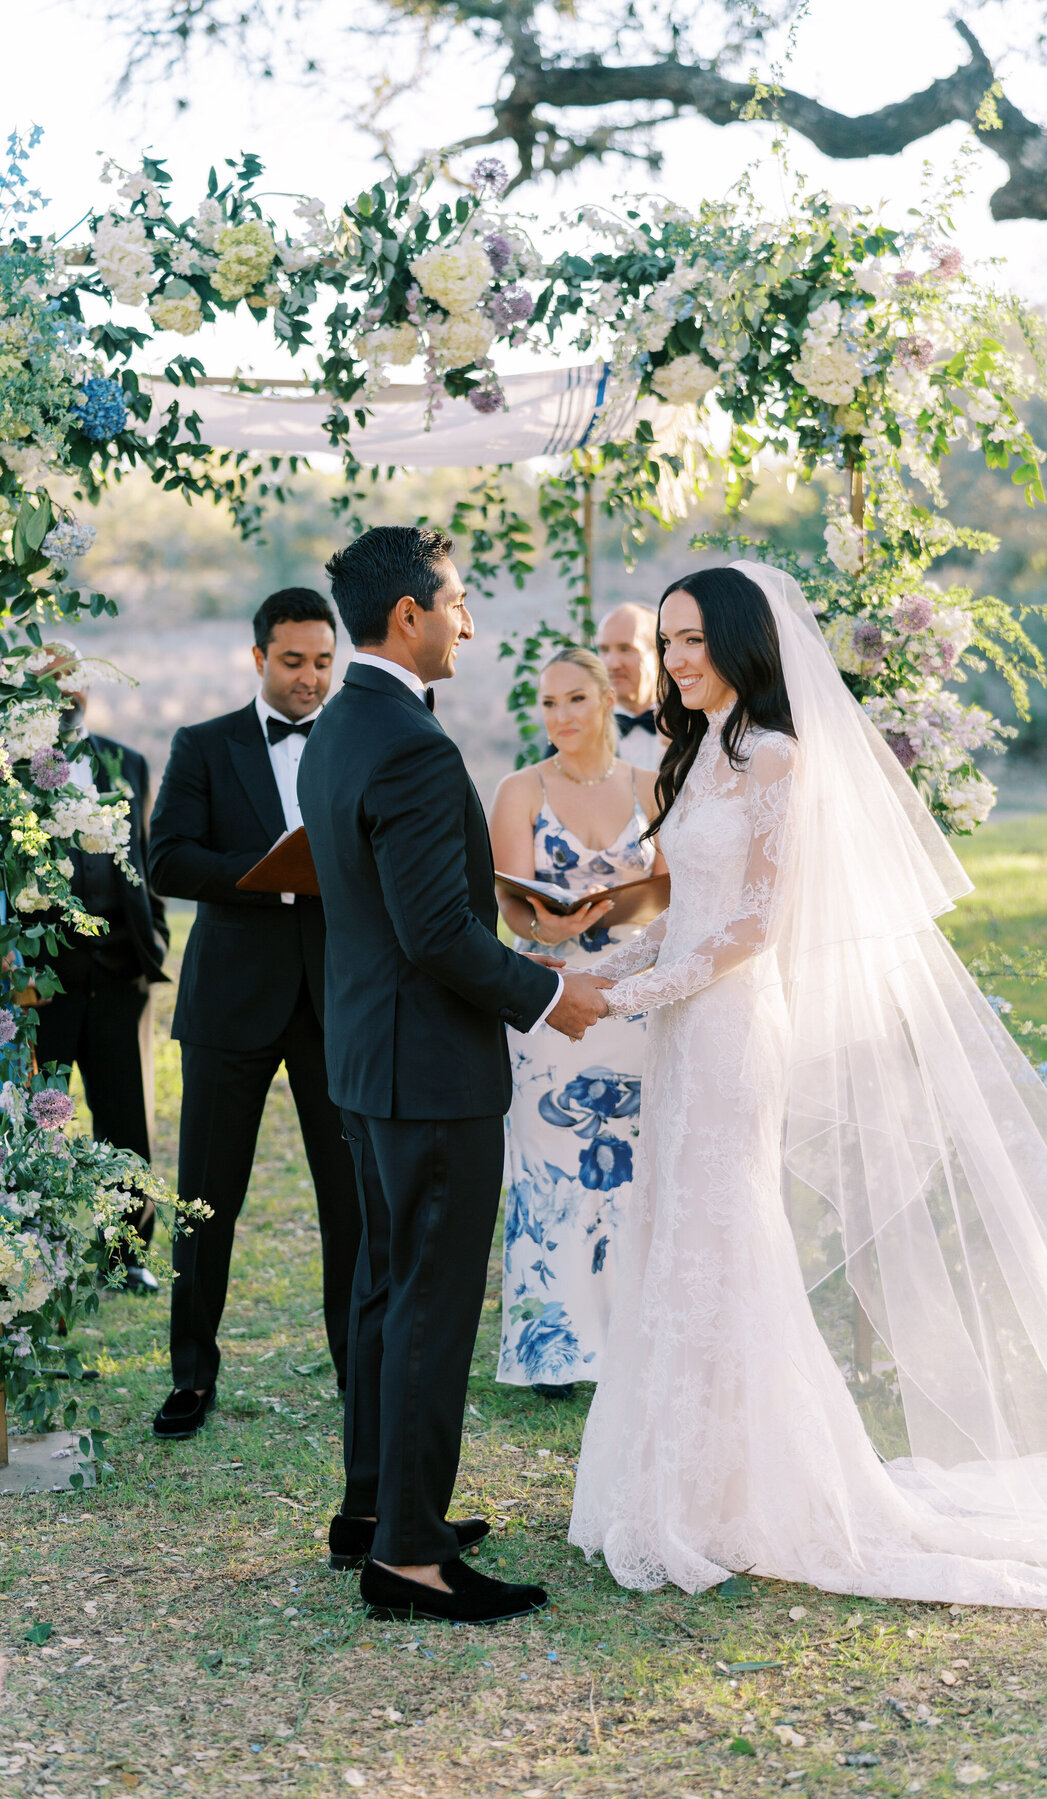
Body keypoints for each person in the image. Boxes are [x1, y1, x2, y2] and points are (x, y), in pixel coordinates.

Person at [569, 560, 1047, 1662]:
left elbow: (755, 924)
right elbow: (683, 913)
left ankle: (747, 1493)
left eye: (692, 639)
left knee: (728, 1238)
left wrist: (629, 991)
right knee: (675, 1233)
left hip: (732, 1027)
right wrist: (575, 965)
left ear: (744, 643)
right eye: (664, 641)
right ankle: (680, 1478)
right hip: (681, 1030)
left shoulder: (776, 754)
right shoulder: (686, 754)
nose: (675, 659)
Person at [298, 524, 610, 1629]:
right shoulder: (415, 744)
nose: (469, 621)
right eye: (458, 600)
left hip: (367, 1058)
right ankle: (412, 1559)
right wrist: (546, 991)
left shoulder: (342, 724)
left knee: (386, 1289)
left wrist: (507, 902)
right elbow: (435, 933)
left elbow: (399, 902)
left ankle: (373, 1509)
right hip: (430, 1069)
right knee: (428, 1302)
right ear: (410, 616)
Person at [147, 587, 361, 1440]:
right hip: (230, 1004)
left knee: (348, 1201)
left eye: (322, 660)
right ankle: (192, 1376)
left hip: (334, 1001)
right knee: (206, 1200)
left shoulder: (353, 738)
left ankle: (358, 1367)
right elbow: (166, 858)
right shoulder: (202, 744)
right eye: (293, 661)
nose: (310, 678)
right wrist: (269, 873)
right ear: (258, 657)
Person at [490, 648, 665, 1402]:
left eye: (575, 700)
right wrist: (555, 932)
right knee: (548, 1165)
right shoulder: (519, 788)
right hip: (550, 997)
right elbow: (509, 903)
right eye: (549, 703)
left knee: (633, 1163)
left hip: (633, 996)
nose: (560, 716)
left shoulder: (654, 786)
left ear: (607, 700)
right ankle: (551, 1347)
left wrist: (628, 913)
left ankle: (634, 1335)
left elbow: (675, 891)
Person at [34, 679, 169, 1294]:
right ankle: (37, 1254)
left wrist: (155, 940)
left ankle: (126, 1257)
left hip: (122, 975)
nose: (62, 692)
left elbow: (144, 858)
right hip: (43, 986)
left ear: (85, 685)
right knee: (39, 1121)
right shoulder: (11, 771)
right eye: (45, 681)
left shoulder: (130, 762)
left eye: (69, 679)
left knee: (127, 1120)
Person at [596, 603, 664, 770]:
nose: (612, 664)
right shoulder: (583, 726)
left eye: (625, 649)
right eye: (604, 650)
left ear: (658, 656)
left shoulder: (691, 725)